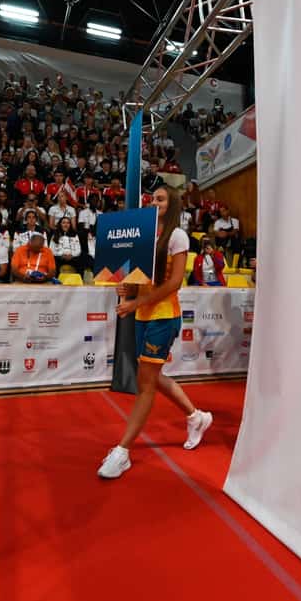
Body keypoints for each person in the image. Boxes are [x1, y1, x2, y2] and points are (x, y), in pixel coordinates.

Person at [97, 185, 213, 480]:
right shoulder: (144, 235)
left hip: (163, 317)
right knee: (151, 375)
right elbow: (140, 278)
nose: (153, 202)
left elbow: (174, 283)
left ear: (172, 204)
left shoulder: (177, 236)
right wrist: (127, 287)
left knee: (145, 384)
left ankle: (123, 451)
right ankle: (196, 417)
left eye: (160, 199)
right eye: (152, 198)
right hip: (142, 316)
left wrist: (136, 302)